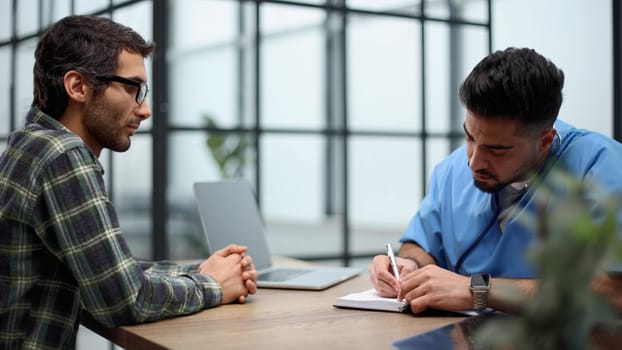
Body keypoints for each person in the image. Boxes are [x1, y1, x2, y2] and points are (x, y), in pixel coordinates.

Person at [0, 15, 258, 349]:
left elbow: (108, 272)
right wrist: (213, 285)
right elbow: (123, 299)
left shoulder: (30, 143)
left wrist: (204, 270)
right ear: (77, 87)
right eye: (132, 88)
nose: (146, 109)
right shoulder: (63, 155)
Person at [369, 47, 622, 314]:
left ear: (546, 140)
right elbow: (420, 246)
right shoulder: (452, 170)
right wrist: (409, 266)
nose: (474, 162)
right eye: (469, 137)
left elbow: (613, 292)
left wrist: (477, 290)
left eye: (497, 150)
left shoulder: (603, 168)